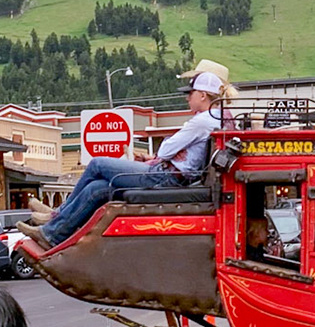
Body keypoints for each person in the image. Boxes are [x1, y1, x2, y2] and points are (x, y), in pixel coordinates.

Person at [21, 62, 235, 248]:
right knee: (97, 189)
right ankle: (54, 232)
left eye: (190, 93)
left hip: (163, 177)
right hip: (171, 175)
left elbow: (166, 149)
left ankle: (56, 216)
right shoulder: (220, 118)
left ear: (203, 95)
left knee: (96, 164)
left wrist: (161, 153)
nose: (187, 98)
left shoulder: (202, 121)